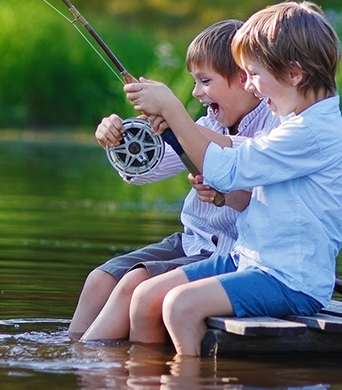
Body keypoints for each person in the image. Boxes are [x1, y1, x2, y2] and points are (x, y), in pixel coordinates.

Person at [123, 0, 342, 356]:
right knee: (146, 296)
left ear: (294, 74)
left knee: (180, 306)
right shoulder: (293, 121)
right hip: (247, 259)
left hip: (287, 279)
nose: (249, 85)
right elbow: (240, 159)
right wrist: (179, 129)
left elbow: (228, 169)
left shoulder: (312, 132)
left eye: (254, 74)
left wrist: (173, 110)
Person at [68, 19, 275, 341]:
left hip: (232, 253)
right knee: (100, 279)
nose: (196, 92)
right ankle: (71, 350)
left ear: (243, 78)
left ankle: (91, 366)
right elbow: (145, 172)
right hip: (192, 241)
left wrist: (176, 118)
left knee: (132, 285)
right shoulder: (209, 123)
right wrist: (121, 138)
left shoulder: (273, 127)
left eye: (205, 81)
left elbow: (245, 156)